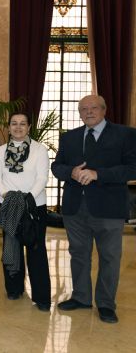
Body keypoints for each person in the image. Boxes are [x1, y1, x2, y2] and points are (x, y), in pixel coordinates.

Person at [52, 95, 136, 323]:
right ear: (79, 113)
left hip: (109, 209)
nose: (88, 112)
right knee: (78, 255)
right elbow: (56, 166)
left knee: (109, 257)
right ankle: (81, 297)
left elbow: (132, 168)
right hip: (74, 208)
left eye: (93, 108)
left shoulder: (126, 134)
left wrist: (99, 174)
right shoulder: (69, 137)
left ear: (104, 110)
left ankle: (106, 304)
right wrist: (71, 172)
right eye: (83, 109)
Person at [0, 112, 51, 311]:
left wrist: (27, 199)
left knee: (36, 249)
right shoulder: (0, 151)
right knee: (12, 247)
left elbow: (42, 178)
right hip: (8, 204)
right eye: (14, 124)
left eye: (22, 124)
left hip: (34, 205)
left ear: (29, 127)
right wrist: (10, 197)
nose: (18, 127)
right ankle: (14, 289)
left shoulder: (39, 150)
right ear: (8, 127)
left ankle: (41, 297)